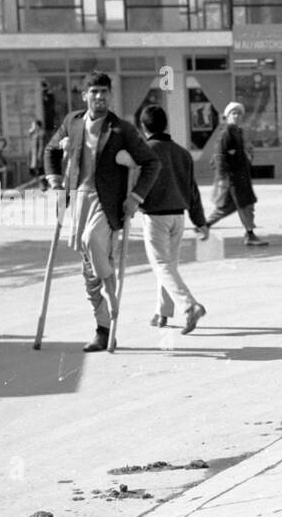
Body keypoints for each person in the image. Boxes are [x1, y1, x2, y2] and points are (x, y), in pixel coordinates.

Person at [44, 71, 159, 352]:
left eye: (104, 92)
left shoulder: (122, 129)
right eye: (94, 91)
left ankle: (110, 284)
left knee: (91, 240)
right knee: (87, 269)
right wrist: (56, 182)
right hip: (79, 198)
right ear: (84, 95)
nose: (99, 97)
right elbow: (50, 150)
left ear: (110, 95)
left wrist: (135, 198)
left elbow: (152, 163)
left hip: (107, 203)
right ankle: (103, 328)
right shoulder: (72, 121)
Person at [136, 103, 210, 334]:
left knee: (161, 265)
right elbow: (192, 191)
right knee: (169, 266)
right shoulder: (182, 153)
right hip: (178, 217)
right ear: (165, 124)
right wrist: (200, 221)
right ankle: (162, 313)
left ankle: (189, 307)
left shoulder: (143, 152)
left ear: (142, 127)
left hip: (154, 216)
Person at [205, 101, 263, 246]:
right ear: (227, 116)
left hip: (241, 178)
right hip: (233, 180)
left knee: (227, 207)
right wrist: (221, 177)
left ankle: (204, 226)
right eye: (233, 113)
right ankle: (250, 235)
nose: (237, 116)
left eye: (239, 113)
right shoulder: (226, 133)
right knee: (245, 205)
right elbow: (219, 156)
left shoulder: (238, 132)